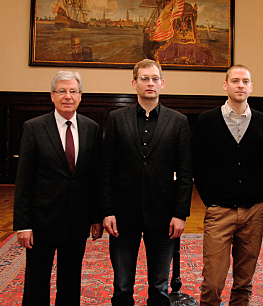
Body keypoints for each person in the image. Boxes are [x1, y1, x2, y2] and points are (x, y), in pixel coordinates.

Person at [100, 59, 192, 306]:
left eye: (154, 78)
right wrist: (107, 211)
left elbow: (185, 172)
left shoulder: (178, 121)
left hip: (163, 216)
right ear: (134, 83)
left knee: (159, 288)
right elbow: (106, 168)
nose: (150, 83)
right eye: (144, 78)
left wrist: (180, 213)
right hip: (122, 214)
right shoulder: (117, 119)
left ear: (162, 83)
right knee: (121, 287)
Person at [13, 71, 103, 306]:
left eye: (73, 91)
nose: (68, 96)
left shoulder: (91, 129)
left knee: (71, 282)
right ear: (52, 96)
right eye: (62, 91)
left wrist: (96, 217)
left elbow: (94, 178)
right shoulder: (33, 128)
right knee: (37, 283)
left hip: (77, 222)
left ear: (81, 96)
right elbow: (23, 179)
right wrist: (23, 225)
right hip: (41, 221)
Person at [193, 64, 263, 305]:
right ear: (225, 85)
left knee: (244, 280)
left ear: (251, 87)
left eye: (245, 81)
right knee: (213, 281)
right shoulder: (207, 120)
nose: (240, 85)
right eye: (235, 81)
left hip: (253, 212)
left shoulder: (261, 121)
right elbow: (198, 165)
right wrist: (211, 199)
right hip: (219, 211)